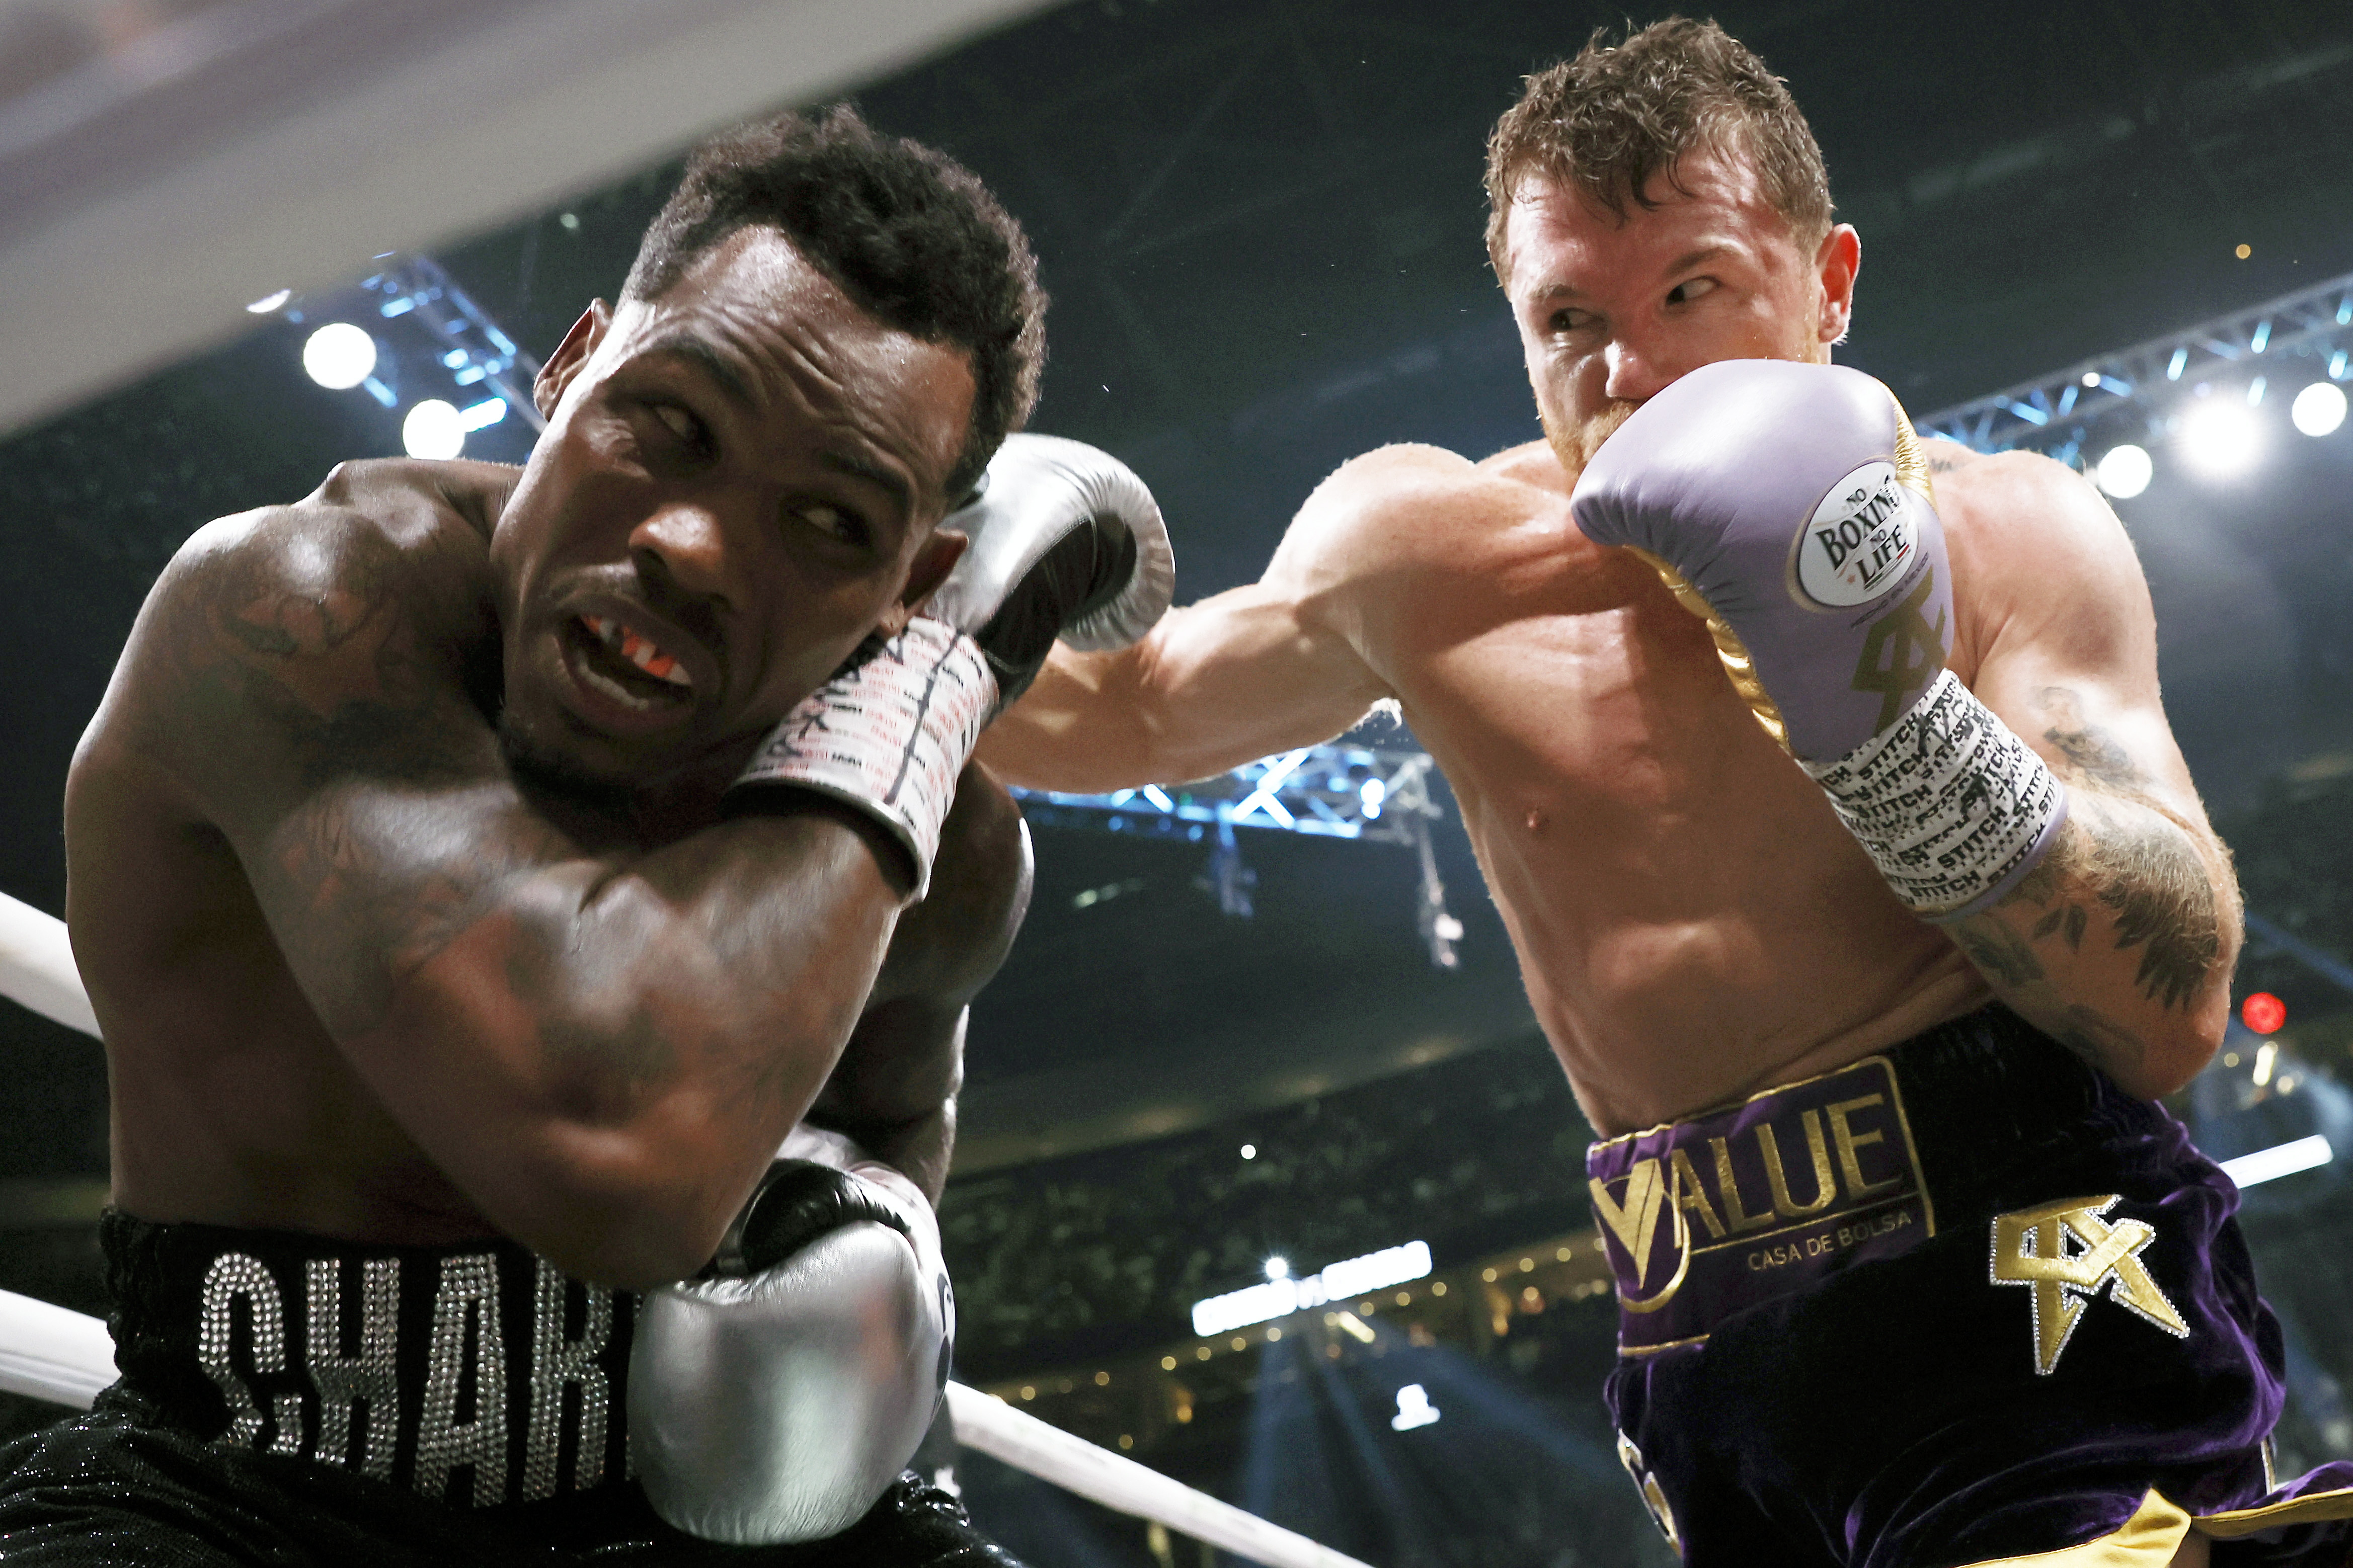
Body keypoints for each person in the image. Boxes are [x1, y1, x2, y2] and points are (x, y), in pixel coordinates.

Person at [979, 21, 2353, 1567]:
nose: (1626, 371)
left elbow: (2165, 1009)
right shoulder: (1425, 555)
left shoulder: (2003, 533)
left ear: (1827, 283)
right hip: (1696, 1356)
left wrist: (1888, 723)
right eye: (1568, 317)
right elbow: (1134, 710)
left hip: (2027, 1284)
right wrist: (884, 579)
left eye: (1689, 289)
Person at [0, 108, 1167, 1564]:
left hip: (693, 1524)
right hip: (242, 1497)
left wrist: (854, 1253)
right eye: (668, 426)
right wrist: (938, 679)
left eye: (823, 519)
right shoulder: (301, 619)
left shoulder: (940, 862)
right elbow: (616, 1162)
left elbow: (885, 1118)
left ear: (914, 578)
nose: (691, 545)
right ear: (567, 370)